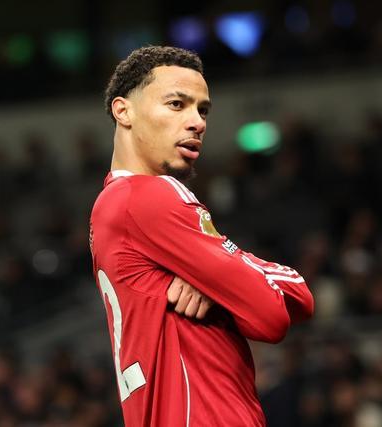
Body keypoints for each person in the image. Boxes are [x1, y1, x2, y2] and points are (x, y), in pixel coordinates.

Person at [89, 46, 314, 426]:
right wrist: (229, 282)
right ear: (123, 111)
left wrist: (215, 283)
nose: (197, 122)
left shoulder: (113, 206)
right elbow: (275, 312)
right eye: (176, 104)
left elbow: (297, 305)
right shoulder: (152, 195)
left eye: (203, 110)